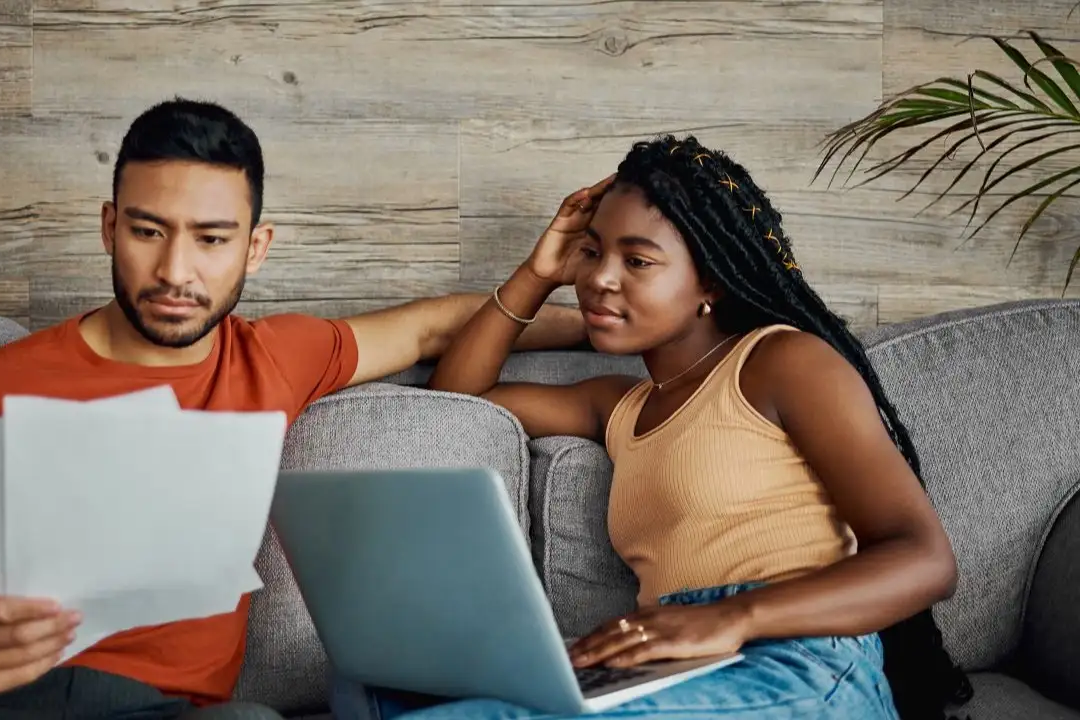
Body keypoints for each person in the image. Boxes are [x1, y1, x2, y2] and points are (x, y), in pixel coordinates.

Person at [0, 98, 587, 720]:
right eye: (147, 231)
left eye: (211, 239)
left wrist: (610, 313)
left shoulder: (274, 357)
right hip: (2, 704)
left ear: (255, 248)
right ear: (108, 228)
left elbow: (433, 325)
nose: (174, 271)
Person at [332, 136, 973, 720]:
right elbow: (458, 401)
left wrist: (730, 618)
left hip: (799, 661)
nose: (598, 279)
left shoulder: (783, 362)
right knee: (374, 686)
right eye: (591, 253)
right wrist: (536, 275)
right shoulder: (622, 407)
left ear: (711, 282)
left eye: (637, 261)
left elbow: (923, 557)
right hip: (673, 659)